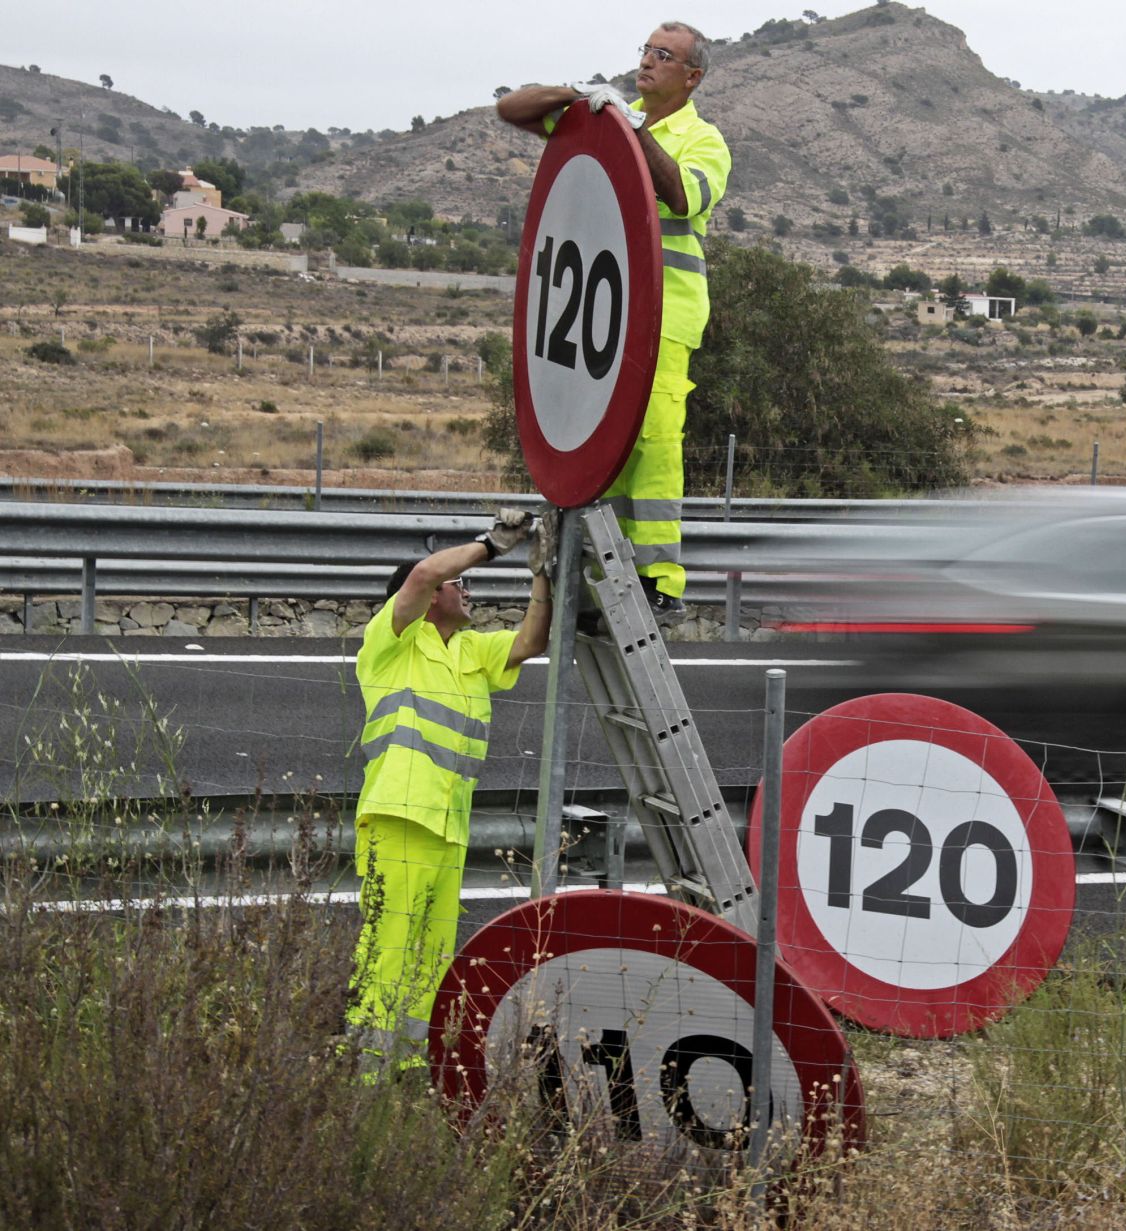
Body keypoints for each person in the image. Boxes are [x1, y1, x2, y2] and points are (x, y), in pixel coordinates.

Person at [496, 21, 731, 626]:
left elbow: (681, 196)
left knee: (653, 442)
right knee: (598, 445)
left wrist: (632, 134)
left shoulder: (704, 140)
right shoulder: (606, 120)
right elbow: (511, 110)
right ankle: (604, 575)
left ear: (692, 76)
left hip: (667, 316)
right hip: (602, 318)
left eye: (664, 55)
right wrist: (571, 95)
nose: (648, 62)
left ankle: (658, 581)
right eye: (646, 51)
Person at [346, 508, 549, 1077]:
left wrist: (543, 571)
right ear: (435, 594)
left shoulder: (470, 651)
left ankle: (409, 1066)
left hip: (447, 827)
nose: (468, 590)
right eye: (460, 583)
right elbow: (419, 575)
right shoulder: (391, 643)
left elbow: (533, 639)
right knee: (387, 947)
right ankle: (364, 1069)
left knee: (431, 957)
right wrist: (492, 544)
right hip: (397, 817)